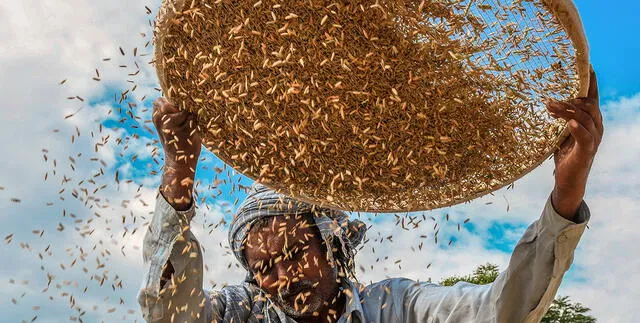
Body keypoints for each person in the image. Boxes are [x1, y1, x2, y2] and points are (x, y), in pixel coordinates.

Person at [138, 68, 603, 322]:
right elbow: (168, 315)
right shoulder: (242, 314)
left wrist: (565, 195)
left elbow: (497, 312)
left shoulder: (394, 309)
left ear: (331, 244)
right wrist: (179, 170)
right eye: (263, 268)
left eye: (295, 252)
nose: (282, 277)